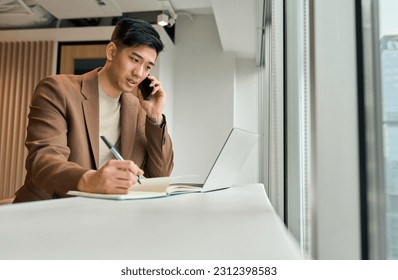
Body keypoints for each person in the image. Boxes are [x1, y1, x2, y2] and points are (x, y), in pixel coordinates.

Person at [13, 18, 174, 203]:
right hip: (50, 209)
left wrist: (155, 117)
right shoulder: (57, 89)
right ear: (112, 51)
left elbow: (159, 175)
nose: (139, 73)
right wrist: (90, 180)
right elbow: (44, 161)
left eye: (147, 67)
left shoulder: (138, 108)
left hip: (102, 214)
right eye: (134, 59)